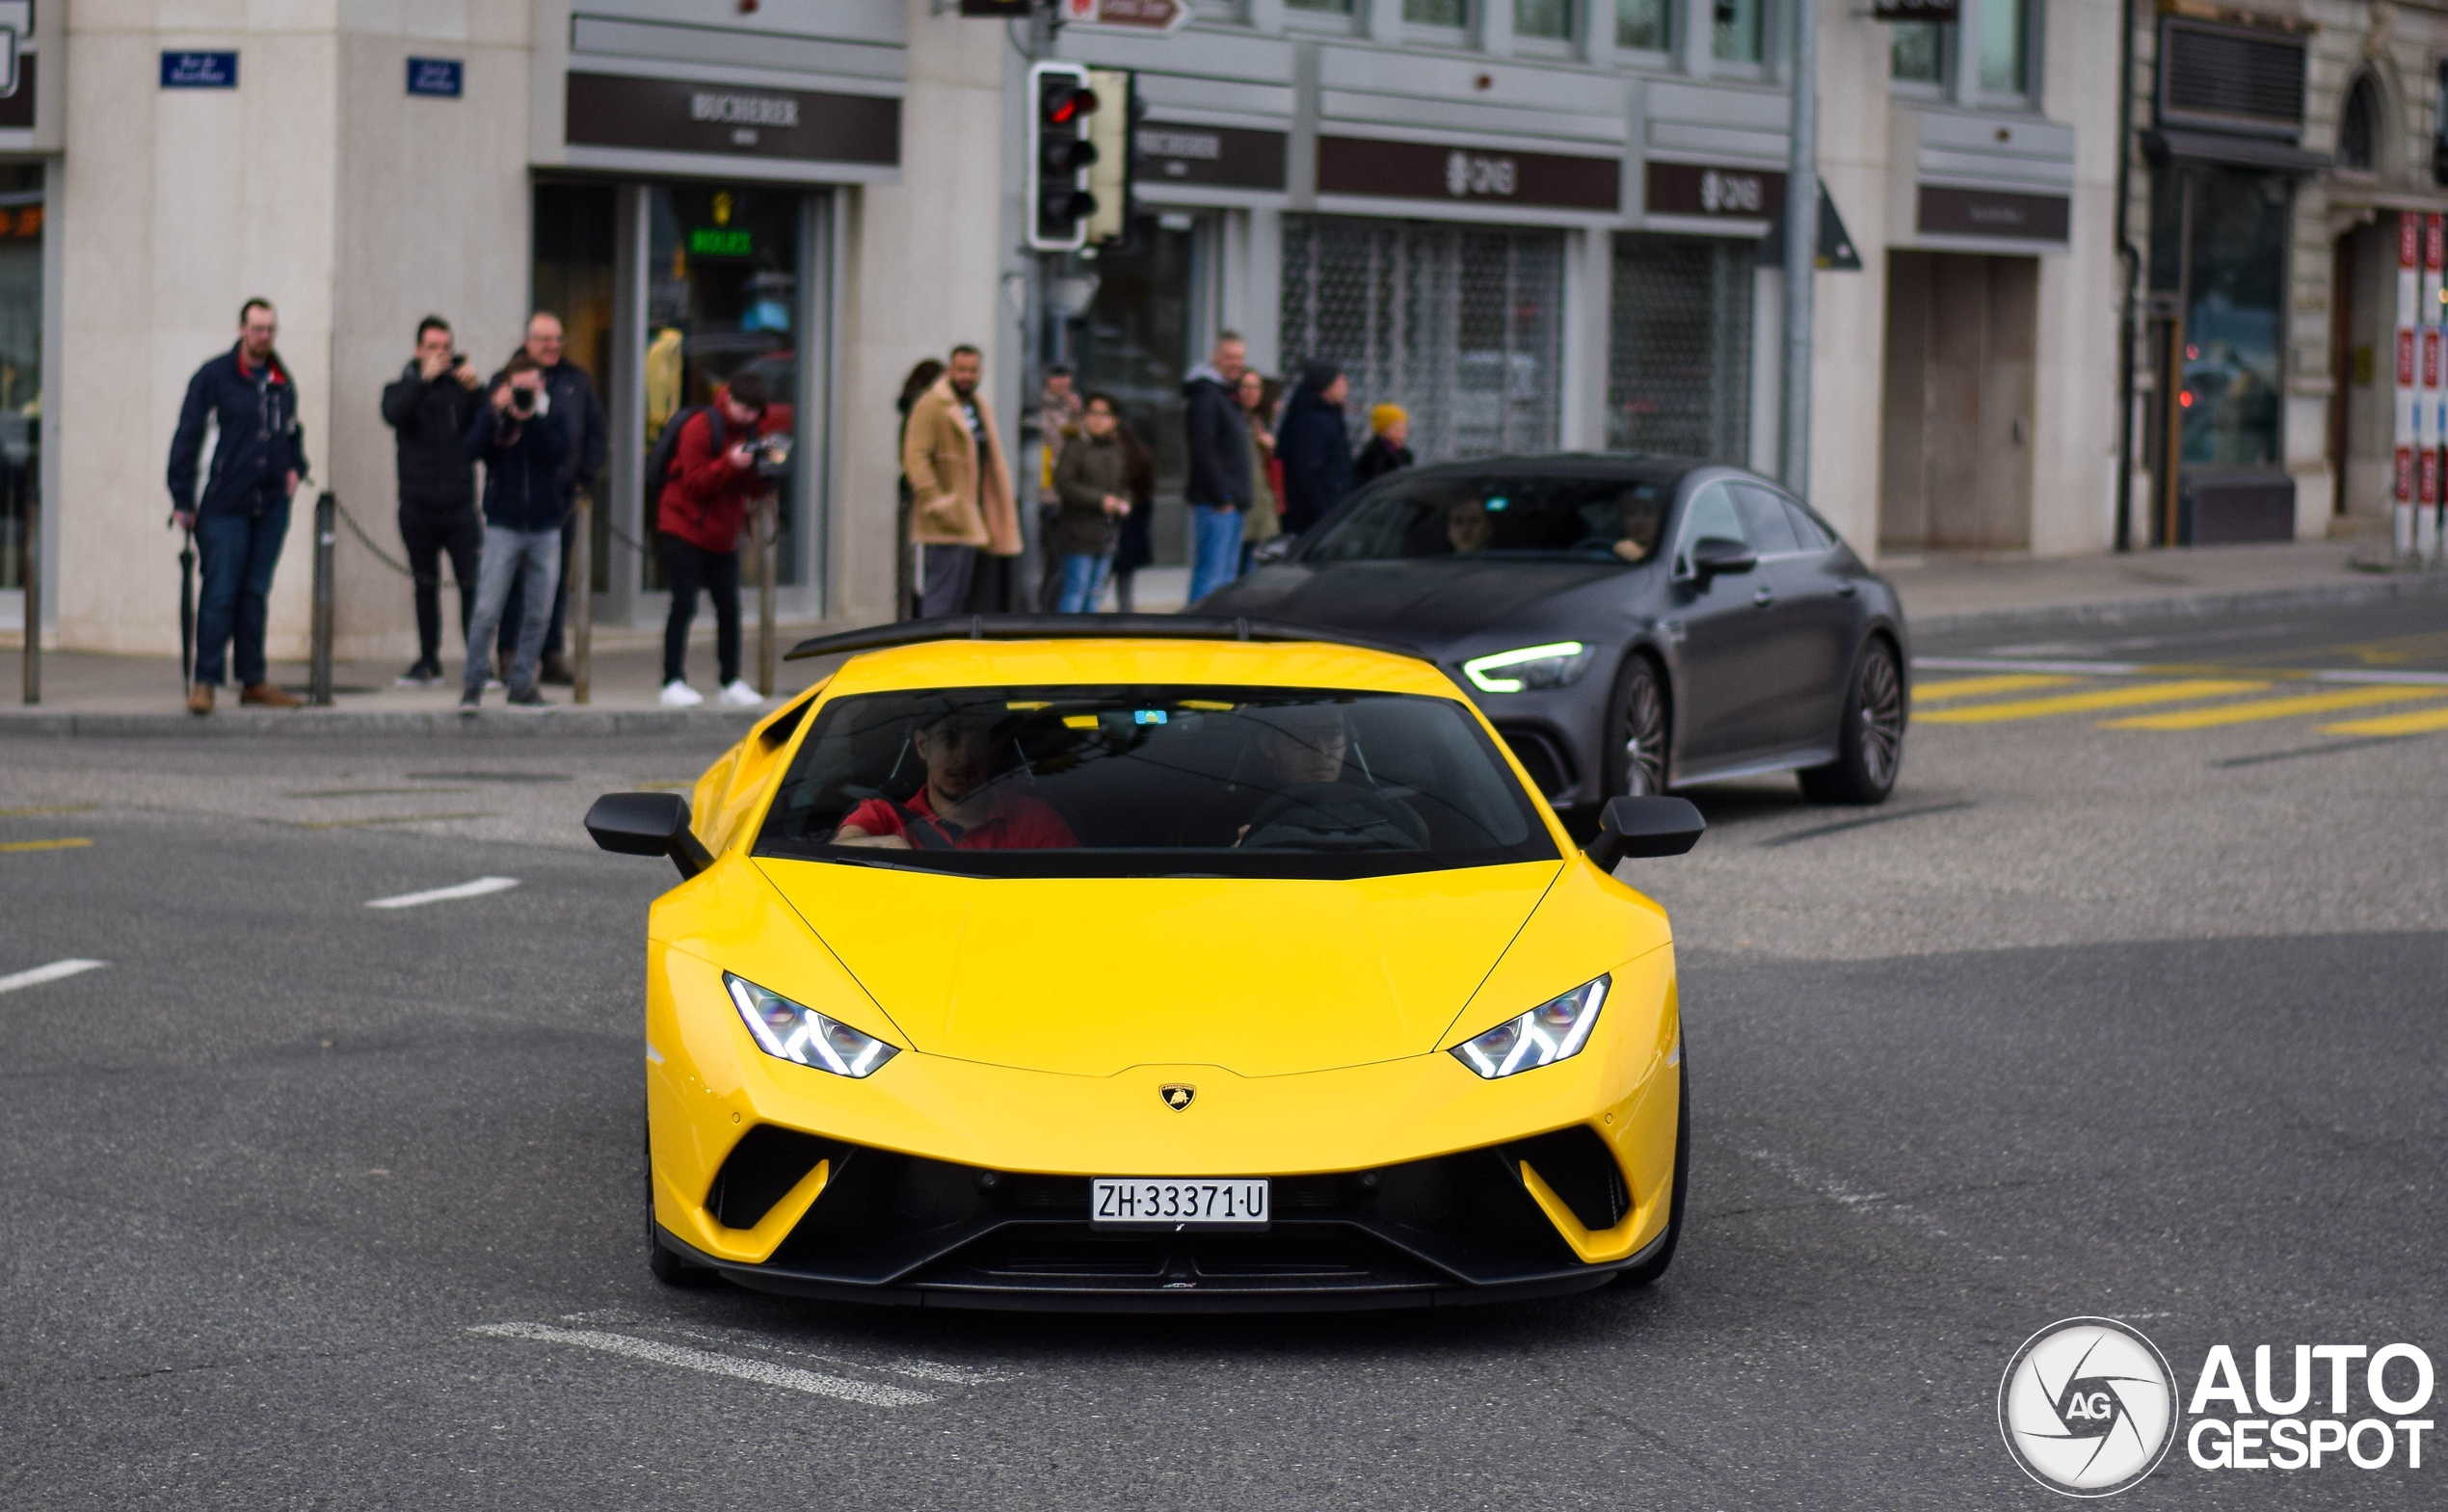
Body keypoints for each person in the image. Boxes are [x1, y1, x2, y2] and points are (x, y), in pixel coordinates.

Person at [167, 298, 307, 715]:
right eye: (256, 328)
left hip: (270, 507)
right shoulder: (214, 377)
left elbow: (292, 432)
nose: (263, 336)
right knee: (220, 594)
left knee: (254, 595)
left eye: (270, 329)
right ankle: (205, 682)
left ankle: (253, 680)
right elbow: (188, 437)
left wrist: (296, 468)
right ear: (241, 328)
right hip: (224, 505)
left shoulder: (282, 380)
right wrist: (181, 497)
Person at [491, 312, 607, 686]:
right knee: (511, 583)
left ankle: (551, 654)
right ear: (528, 341)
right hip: (514, 504)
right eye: (544, 340)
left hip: (561, 500)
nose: (552, 346)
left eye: (557, 339)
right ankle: (509, 654)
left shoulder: (577, 381)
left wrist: (583, 478)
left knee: (554, 583)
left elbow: (595, 433)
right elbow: (487, 435)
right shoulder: (506, 379)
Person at [457, 354, 570, 712]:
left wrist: (530, 418)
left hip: (545, 527)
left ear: (542, 384)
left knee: (539, 613)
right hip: (503, 525)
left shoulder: (551, 413)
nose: (527, 392)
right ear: (508, 385)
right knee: (487, 610)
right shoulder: (497, 414)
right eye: (520, 387)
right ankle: (473, 685)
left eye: (533, 385)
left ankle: (522, 685)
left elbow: (558, 453)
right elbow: (471, 450)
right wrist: (495, 415)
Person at [654, 372, 774, 708]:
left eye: (755, 412)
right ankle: (672, 680)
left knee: (729, 608)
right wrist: (730, 464)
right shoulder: (701, 426)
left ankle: (730, 679)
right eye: (744, 409)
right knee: (683, 605)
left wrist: (764, 467)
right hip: (684, 526)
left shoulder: (751, 430)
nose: (749, 417)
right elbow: (694, 483)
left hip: (723, 533)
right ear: (729, 399)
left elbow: (753, 487)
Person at [380, 315, 487, 686]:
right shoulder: (402, 388)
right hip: (418, 506)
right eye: (433, 348)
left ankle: (478, 663)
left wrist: (476, 390)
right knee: (425, 586)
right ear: (418, 350)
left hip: (459, 507)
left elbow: (489, 426)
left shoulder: (461, 391)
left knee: (471, 584)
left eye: (446, 348)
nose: (441, 355)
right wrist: (423, 380)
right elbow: (393, 413)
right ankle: (428, 661)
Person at [833, 707, 1077, 850]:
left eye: (978, 743)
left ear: (994, 752)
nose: (963, 757)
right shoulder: (884, 816)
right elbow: (842, 847)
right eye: (949, 740)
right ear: (922, 746)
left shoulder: (1035, 819)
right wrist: (887, 845)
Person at [902, 345, 1020, 618]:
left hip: (975, 518)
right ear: (950, 370)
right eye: (961, 370)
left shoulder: (978, 406)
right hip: (947, 520)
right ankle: (931, 655)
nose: (966, 376)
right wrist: (937, 501)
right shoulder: (931, 404)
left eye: (972, 370)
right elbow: (915, 457)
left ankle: (951, 656)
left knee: (963, 603)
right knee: (940, 601)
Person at [1181, 332, 1251, 603]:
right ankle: (1198, 636)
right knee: (1210, 578)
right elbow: (1203, 449)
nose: (1236, 363)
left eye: (1240, 357)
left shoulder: (1225, 396)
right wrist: (1222, 494)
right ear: (1215, 358)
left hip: (1231, 502)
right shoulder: (1207, 396)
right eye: (1229, 356)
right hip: (1218, 503)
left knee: (1224, 580)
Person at [1050, 393, 1133, 613]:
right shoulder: (1075, 446)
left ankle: (1087, 643)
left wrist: (1124, 502)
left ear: (1114, 420)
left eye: (1104, 414)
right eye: (1093, 413)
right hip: (1078, 531)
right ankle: (1066, 641)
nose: (1097, 419)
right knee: (1076, 590)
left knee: (1095, 593)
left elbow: (1124, 483)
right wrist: (1099, 500)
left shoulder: (1116, 450)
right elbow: (1065, 484)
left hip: (1106, 532)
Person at [1275, 360, 1356, 536]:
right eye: (1341, 382)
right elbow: (1308, 470)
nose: (1346, 387)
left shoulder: (1329, 416)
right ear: (1326, 386)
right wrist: (1325, 513)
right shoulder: (1312, 421)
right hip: (1316, 516)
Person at [893, 358, 945, 620]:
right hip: (920, 496)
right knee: (921, 570)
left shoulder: (915, 405)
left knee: (915, 568)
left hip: (913, 494)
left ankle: (911, 617)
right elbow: (914, 456)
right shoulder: (924, 406)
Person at [1033, 365, 1083, 612]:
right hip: (1050, 496)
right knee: (1054, 565)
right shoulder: (1041, 410)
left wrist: (1077, 415)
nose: (1063, 383)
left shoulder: (1072, 410)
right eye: (1057, 377)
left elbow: (1081, 445)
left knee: (1066, 566)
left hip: (1071, 496)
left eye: (1066, 377)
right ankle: (1047, 612)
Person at [1107, 414, 1157, 612]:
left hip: (1117, 524)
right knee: (1125, 584)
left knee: (1096, 582)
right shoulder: (1140, 454)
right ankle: (1126, 619)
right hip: (1132, 526)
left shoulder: (1120, 456)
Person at [1237, 370, 1281, 574]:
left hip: (1260, 503)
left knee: (1252, 566)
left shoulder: (1258, 422)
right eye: (1246, 387)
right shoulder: (1238, 420)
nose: (1251, 393)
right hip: (1243, 504)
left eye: (1256, 388)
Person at [1354, 403, 1414, 486]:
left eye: (1404, 426)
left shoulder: (1405, 454)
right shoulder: (1375, 457)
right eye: (1397, 427)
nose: (1403, 431)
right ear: (1383, 431)